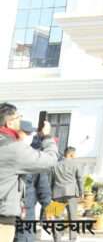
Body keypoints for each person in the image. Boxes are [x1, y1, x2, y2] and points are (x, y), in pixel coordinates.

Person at [0, 103, 59, 242]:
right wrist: (48, 137)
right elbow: (50, 163)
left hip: (20, 211)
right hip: (10, 215)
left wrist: (50, 209)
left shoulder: (23, 150)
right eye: (18, 118)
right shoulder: (18, 150)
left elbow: (43, 187)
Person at [15, 121, 52, 242]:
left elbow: (43, 187)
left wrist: (49, 210)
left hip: (26, 212)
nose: (30, 137)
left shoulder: (34, 157)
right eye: (27, 133)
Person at [51, 146, 83, 242]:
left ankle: (57, 239)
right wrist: (81, 192)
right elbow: (80, 179)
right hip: (71, 193)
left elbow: (51, 180)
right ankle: (72, 239)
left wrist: (51, 193)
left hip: (57, 194)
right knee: (72, 217)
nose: (75, 156)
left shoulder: (55, 165)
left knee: (57, 217)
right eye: (75, 154)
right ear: (71, 154)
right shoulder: (75, 164)